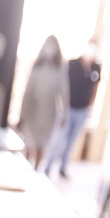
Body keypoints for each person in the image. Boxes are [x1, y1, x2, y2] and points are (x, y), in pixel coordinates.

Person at [45, 38, 104, 179]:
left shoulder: (96, 68)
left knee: (71, 142)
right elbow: (62, 86)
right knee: (59, 139)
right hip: (67, 109)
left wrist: (90, 106)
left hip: (82, 110)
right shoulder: (72, 64)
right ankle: (47, 167)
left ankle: (63, 168)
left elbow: (95, 88)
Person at [19, 36, 67, 171]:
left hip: (49, 113)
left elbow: (64, 93)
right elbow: (27, 92)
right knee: (29, 144)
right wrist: (22, 113)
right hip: (33, 110)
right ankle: (26, 171)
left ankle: (36, 171)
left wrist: (65, 114)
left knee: (42, 145)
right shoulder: (36, 67)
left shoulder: (60, 68)